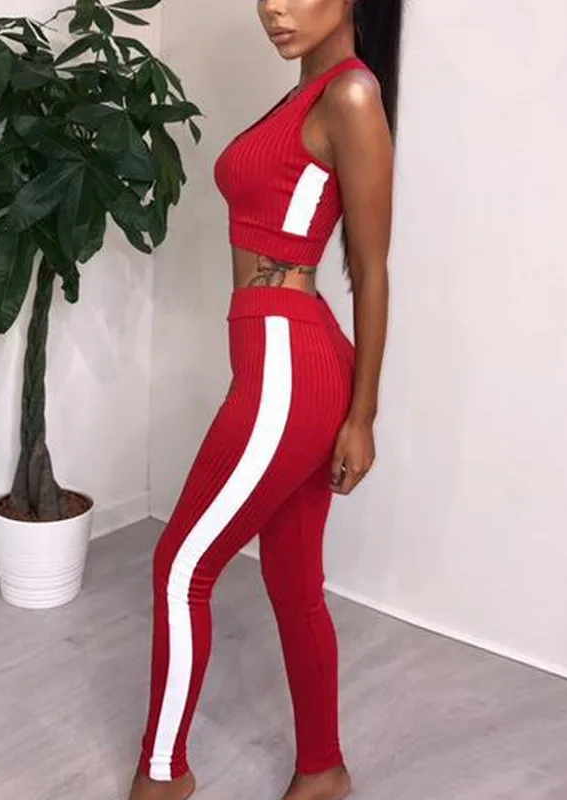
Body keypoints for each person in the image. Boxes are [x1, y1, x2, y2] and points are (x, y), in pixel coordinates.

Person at [128, 1, 401, 798]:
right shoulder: (302, 95)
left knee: (181, 568)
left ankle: (162, 778)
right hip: (273, 354)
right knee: (291, 583)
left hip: (292, 359)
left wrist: (363, 415)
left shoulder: (352, 94)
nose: (273, 8)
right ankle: (323, 770)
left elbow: (372, 270)